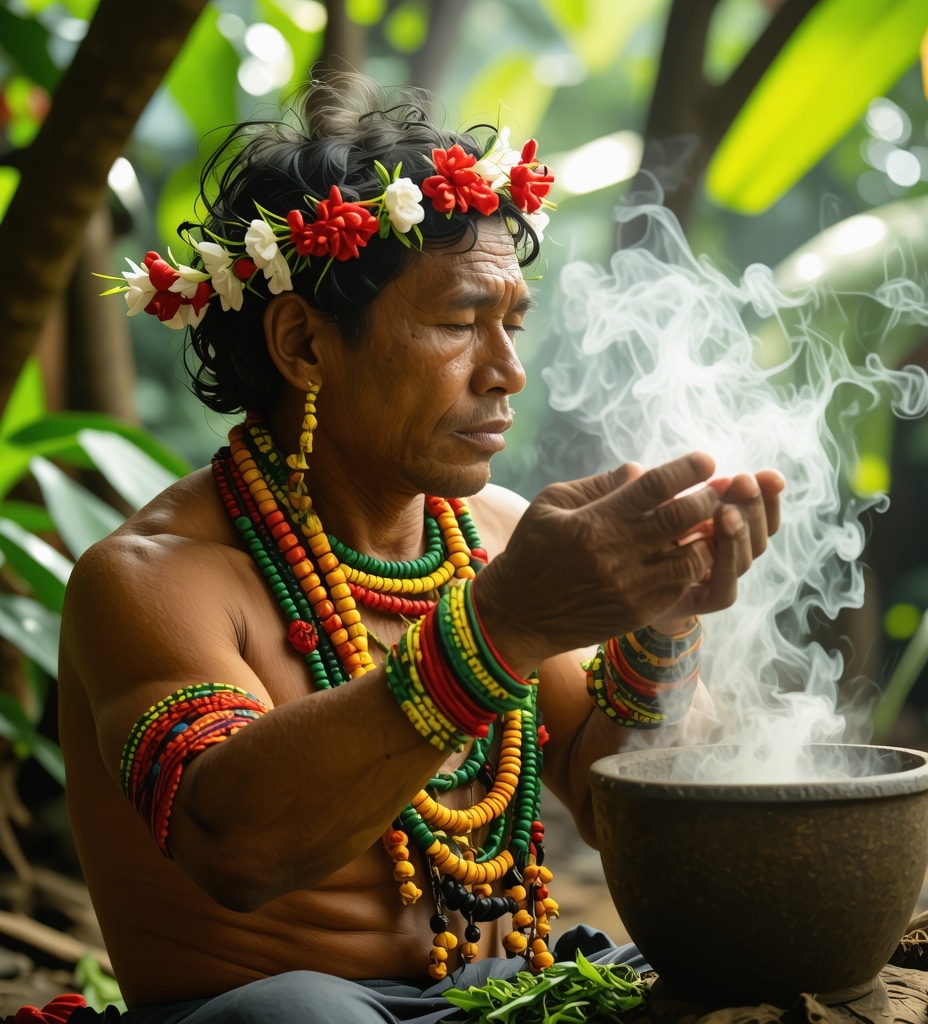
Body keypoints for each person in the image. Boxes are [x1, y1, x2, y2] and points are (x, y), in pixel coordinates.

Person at [57, 72, 784, 1023]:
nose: (508, 372)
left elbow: (623, 815)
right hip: (282, 1014)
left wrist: (663, 621)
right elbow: (237, 848)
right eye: (458, 324)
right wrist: (504, 626)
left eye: (512, 324)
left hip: (507, 994)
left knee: (728, 960)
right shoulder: (148, 579)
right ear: (303, 346)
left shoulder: (498, 540)